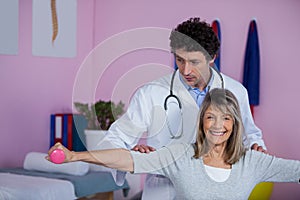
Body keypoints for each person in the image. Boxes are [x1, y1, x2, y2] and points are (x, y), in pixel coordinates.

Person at [91, 17, 267, 199]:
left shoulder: (235, 91)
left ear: (212, 58)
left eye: (194, 62)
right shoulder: (151, 93)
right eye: (180, 60)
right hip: (165, 190)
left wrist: (256, 148)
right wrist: (133, 155)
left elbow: (250, 137)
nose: (186, 70)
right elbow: (114, 139)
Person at [47, 88, 300, 200]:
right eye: (210, 116)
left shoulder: (253, 161)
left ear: (235, 124)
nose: (216, 125)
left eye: (225, 118)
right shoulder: (181, 155)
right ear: (202, 121)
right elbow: (128, 159)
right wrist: (75, 156)